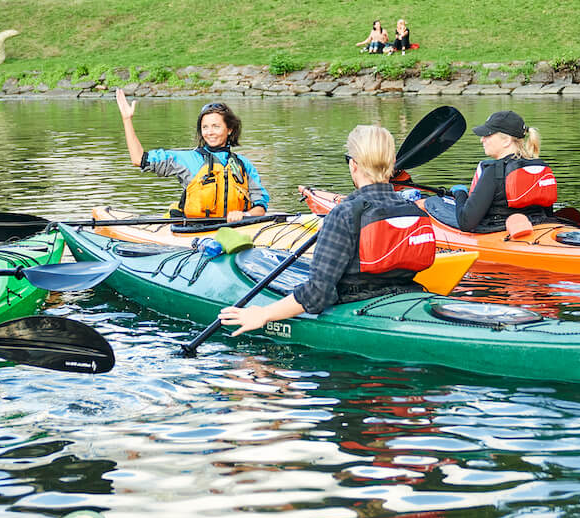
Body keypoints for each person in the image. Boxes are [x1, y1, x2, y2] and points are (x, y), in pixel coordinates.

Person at [219, 125, 436, 335]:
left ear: (353, 165)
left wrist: (264, 314)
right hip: (408, 295)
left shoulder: (345, 213)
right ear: (393, 163)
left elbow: (318, 294)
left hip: (354, 307)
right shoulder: (414, 210)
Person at [115, 89, 269, 222]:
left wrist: (244, 214)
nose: (210, 132)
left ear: (230, 129)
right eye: (205, 127)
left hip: (236, 229)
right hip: (195, 230)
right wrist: (126, 119)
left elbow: (260, 207)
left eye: (216, 126)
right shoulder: (186, 159)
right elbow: (138, 159)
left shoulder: (243, 165)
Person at [423, 109, 557, 236]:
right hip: (540, 227)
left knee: (433, 203)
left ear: (506, 140)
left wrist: (460, 193)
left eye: (487, 134)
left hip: (497, 232)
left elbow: (466, 223)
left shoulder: (493, 171)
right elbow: (548, 213)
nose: (482, 139)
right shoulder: (541, 167)